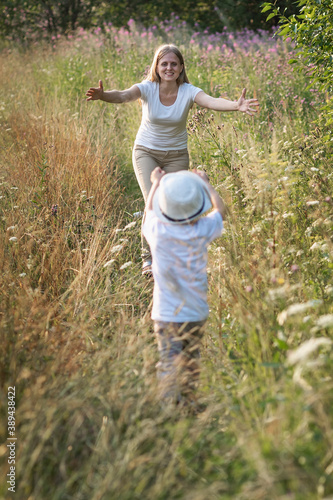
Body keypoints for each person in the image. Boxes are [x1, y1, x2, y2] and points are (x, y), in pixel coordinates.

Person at [86, 44, 257, 275]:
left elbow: (211, 101)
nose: (169, 68)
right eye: (164, 63)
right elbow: (125, 95)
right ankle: (148, 258)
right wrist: (104, 96)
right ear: (156, 67)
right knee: (154, 201)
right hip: (146, 152)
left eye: (173, 64)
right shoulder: (147, 88)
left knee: (174, 205)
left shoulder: (188, 91)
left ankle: (170, 254)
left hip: (176, 155)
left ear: (181, 67)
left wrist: (236, 106)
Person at [142, 166, 227, 407]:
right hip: (196, 312)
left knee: (168, 360)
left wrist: (156, 182)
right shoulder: (202, 230)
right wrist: (205, 184)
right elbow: (221, 210)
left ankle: (169, 409)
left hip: (166, 314)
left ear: (165, 207)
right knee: (191, 360)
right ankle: (189, 404)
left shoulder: (156, 231)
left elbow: (148, 211)